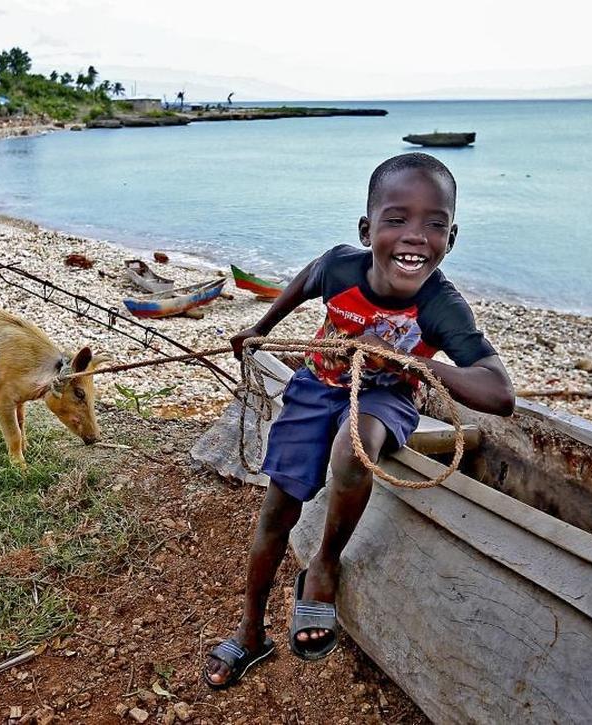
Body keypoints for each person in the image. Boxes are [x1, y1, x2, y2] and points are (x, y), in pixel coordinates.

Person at [203, 152, 515, 689]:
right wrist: (259, 326)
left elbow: (500, 392)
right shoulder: (342, 266)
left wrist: (412, 362)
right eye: (397, 220)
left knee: (354, 448)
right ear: (367, 229)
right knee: (277, 511)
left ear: (453, 237)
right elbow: (306, 280)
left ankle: (325, 563)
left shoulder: (443, 306)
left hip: (387, 396)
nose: (415, 236)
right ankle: (251, 632)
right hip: (315, 383)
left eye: (434, 224)